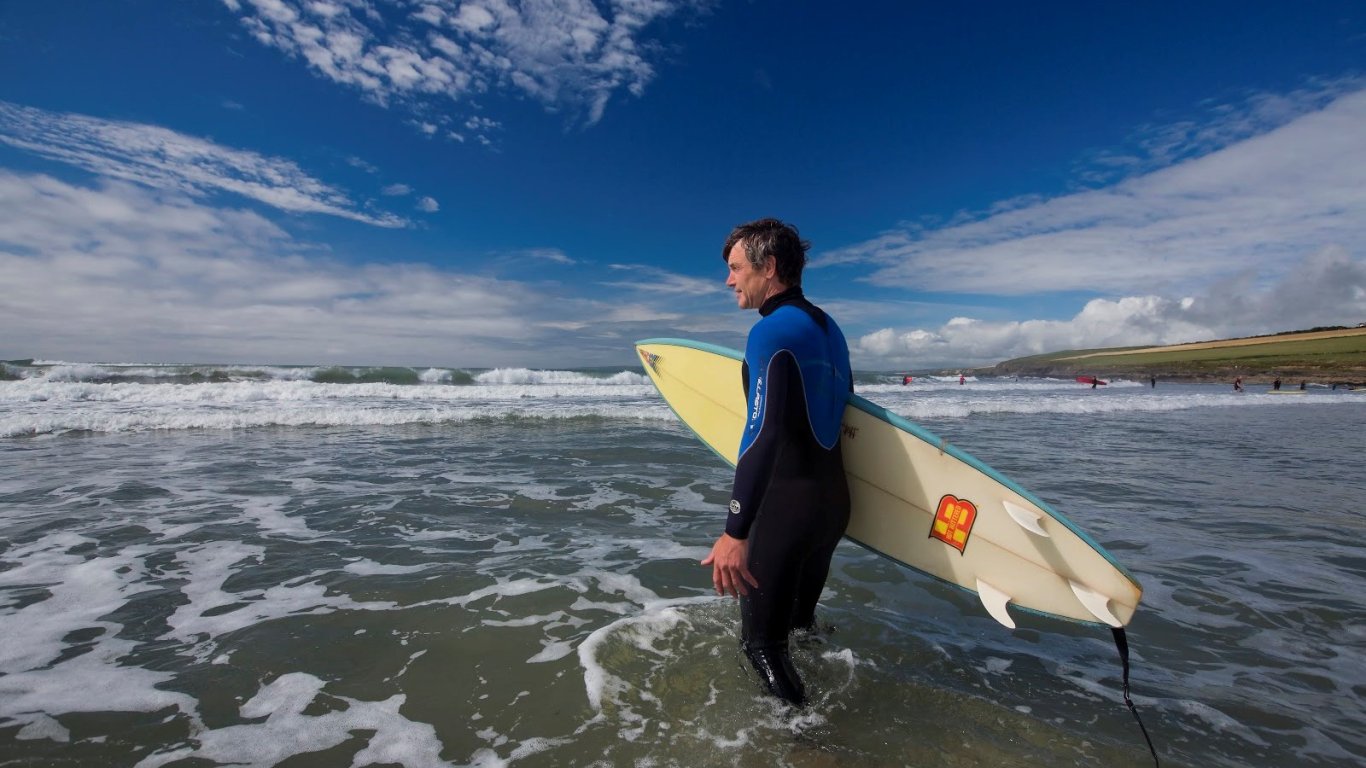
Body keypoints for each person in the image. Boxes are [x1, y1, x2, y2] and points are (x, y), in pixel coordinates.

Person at [702, 217, 852, 707]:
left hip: (786, 507)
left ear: (768, 267)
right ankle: (831, 705)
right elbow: (846, 413)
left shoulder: (771, 332)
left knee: (761, 645)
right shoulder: (830, 330)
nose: (729, 280)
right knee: (798, 628)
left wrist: (735, 531)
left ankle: (810, 748)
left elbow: (763, 434)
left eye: (735, 268)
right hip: (831, 507)